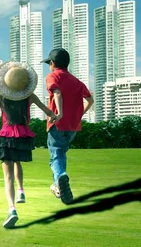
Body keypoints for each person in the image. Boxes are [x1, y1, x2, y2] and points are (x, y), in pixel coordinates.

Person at [0, 61, 58, 229]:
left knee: (7, 175)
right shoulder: (29, 96)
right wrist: (55, 117)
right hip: (23, 136)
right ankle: (22, 191)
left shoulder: (1, 97)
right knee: (18, 162)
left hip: (6, 135)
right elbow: (49, 112)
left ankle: (12, 209)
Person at [42, 48, 94, 205]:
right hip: (73, 127)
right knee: (61, 154)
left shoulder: (53, 76)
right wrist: (79, 115)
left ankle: (59, 178)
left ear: (52, 63)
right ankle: (58, 187)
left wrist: (60, 113)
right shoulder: (77, 81)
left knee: (56, 155)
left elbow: (56, 93)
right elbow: (90, 100)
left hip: (58, 123)